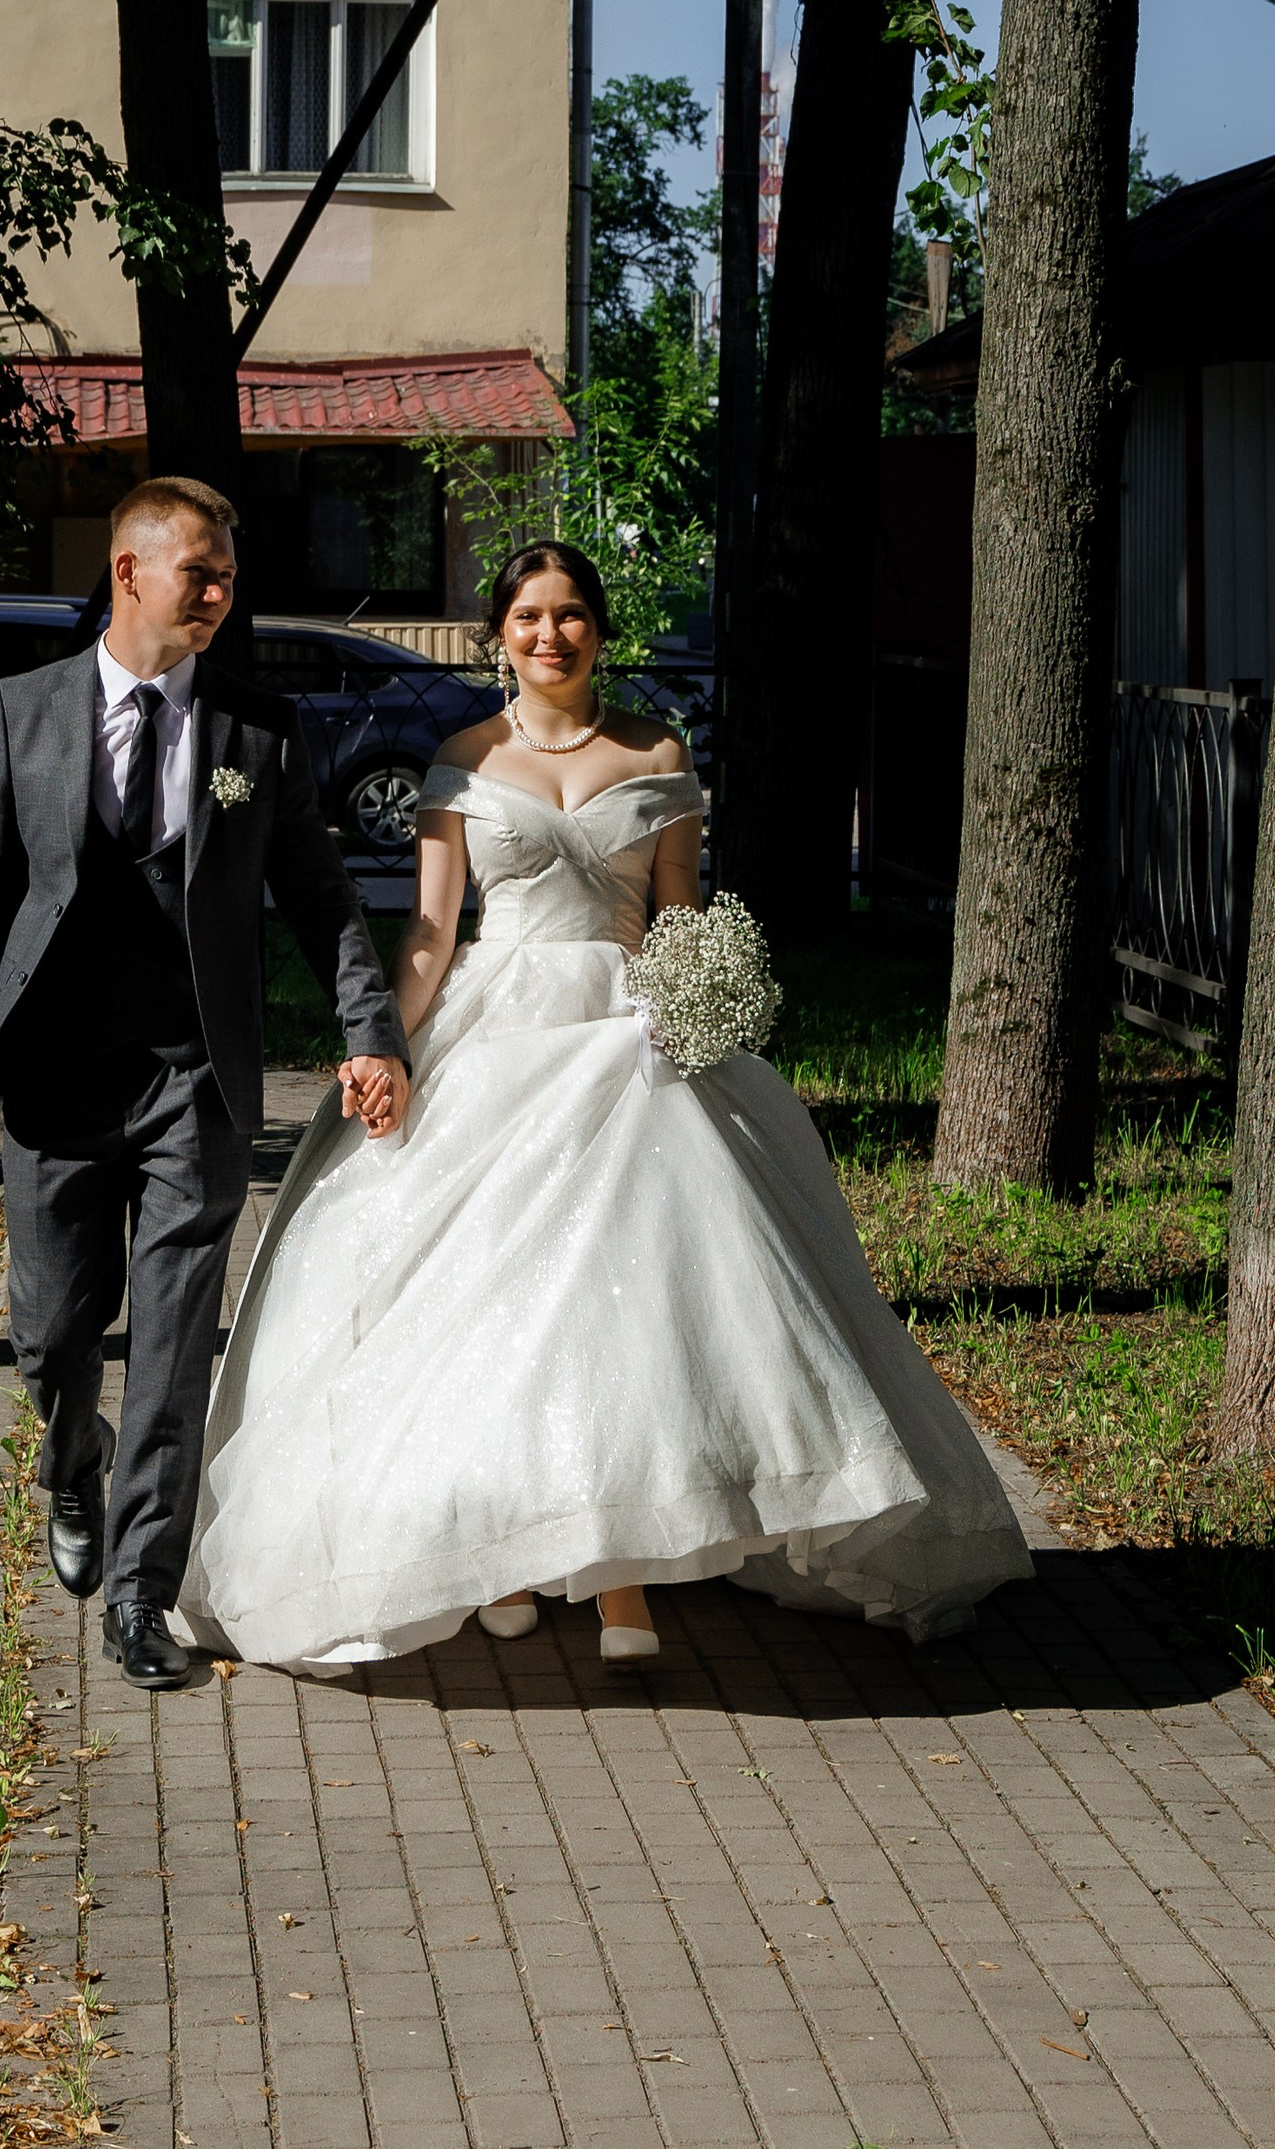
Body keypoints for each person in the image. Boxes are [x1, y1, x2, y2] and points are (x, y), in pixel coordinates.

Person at [177, 537, 1031, 1674]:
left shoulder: (658, 749)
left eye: (570, 613)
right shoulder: (462, 761)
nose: (549, 635)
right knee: (496, 1295)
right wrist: (379, 1042)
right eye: (528, 615)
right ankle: (512, 1559)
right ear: (499, 635)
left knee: (627, 1296)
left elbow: (679, 909)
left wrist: (698, 1009)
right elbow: (433, 937)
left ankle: (622, 1573)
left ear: (599, 628)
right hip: (500, 1040)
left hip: (631, 1035)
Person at [0, 475, 408, 1689]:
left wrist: (372, 1030)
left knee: (176, 1345)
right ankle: (68, 1455)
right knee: (48, 1332)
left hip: (196, 1081)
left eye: (229, 573)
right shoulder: (21, 710)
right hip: (54, 1080)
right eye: (201, 570)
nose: (220, 590)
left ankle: (141, 1594)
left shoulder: (258, 727)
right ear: (130, 571)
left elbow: (320, 896)